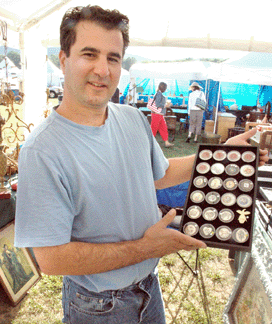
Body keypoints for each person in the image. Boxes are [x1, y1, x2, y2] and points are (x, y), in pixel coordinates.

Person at [14, 5, 269, 324]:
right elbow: (49, 258)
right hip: (98, 306)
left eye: (113, 58)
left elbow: (160, 175)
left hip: (150, 288)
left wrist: (222, 153)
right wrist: (146, 248)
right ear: (64, 61)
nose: (102, 70)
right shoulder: (42, 150)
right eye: (89, 54)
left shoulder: (132, 118)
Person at [150, 82, 174, 148]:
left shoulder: (158, 93)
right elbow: (158, 104)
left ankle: (166, 142)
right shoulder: (158, 94)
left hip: (159, 114)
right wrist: (165, 105)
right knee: (154, 129)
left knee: (163, 128)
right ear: (164, 88)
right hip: (157, 114)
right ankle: (150, 143)